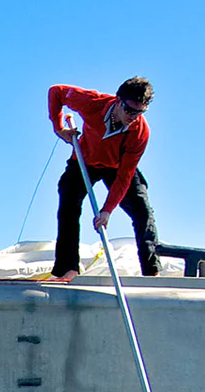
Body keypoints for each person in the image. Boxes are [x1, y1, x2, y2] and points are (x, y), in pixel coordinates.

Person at [47, 77, 160, 281]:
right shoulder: (92, 103)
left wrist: (107, 210)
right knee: (68, 204)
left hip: (117, 167)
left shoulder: (140, 132)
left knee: (142, 210)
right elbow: (56, 91)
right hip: (85, 160)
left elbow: (125, 176)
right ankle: (67, 269)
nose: (134, 117)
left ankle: (151, 272)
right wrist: (59, 128)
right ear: (118, 101)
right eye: (130, 110)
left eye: (140, 112)